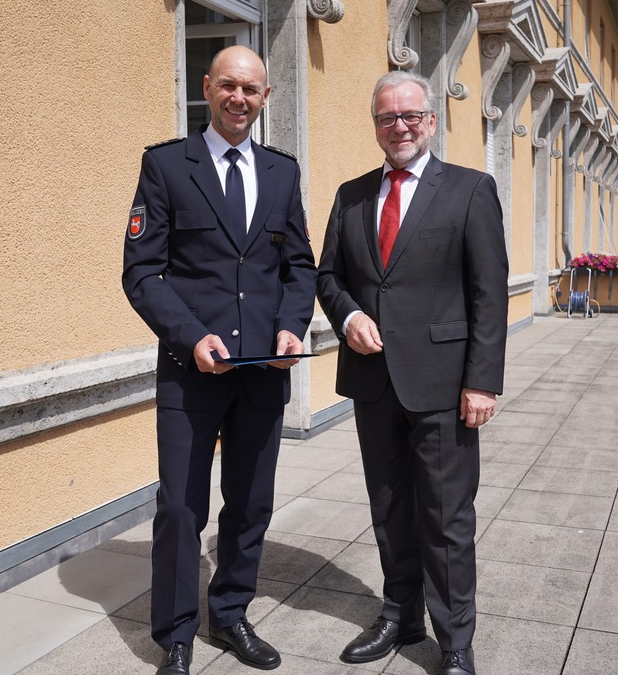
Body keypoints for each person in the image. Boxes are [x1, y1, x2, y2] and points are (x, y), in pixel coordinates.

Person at [122, 45, 316, 675]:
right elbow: (143, 273)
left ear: (265, 97)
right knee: (181, 505)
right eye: (228, 85)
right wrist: (192, 337)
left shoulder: (282, 173)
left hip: (263, 372)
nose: (239, 98)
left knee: (251, 501)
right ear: (207, 87)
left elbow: (297, 267)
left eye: (252, 89)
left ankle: (230, 614)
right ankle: (176, 634)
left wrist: (291, 328)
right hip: (190, 371)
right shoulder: (166, 166)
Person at [316, 70, 508, 675]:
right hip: (373, 383)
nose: (398, 127)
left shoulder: (471, 191)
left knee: (447, 518)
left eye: (410, 116)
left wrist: (482, 380)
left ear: (431, 120)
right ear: (374, 123)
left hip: (445, 386)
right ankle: (401, 614)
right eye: (386, 117)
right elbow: (329, 276)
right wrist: (347, 318)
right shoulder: (350, 195)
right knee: (389, 506)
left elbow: (489, 293)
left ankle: (454, 642)